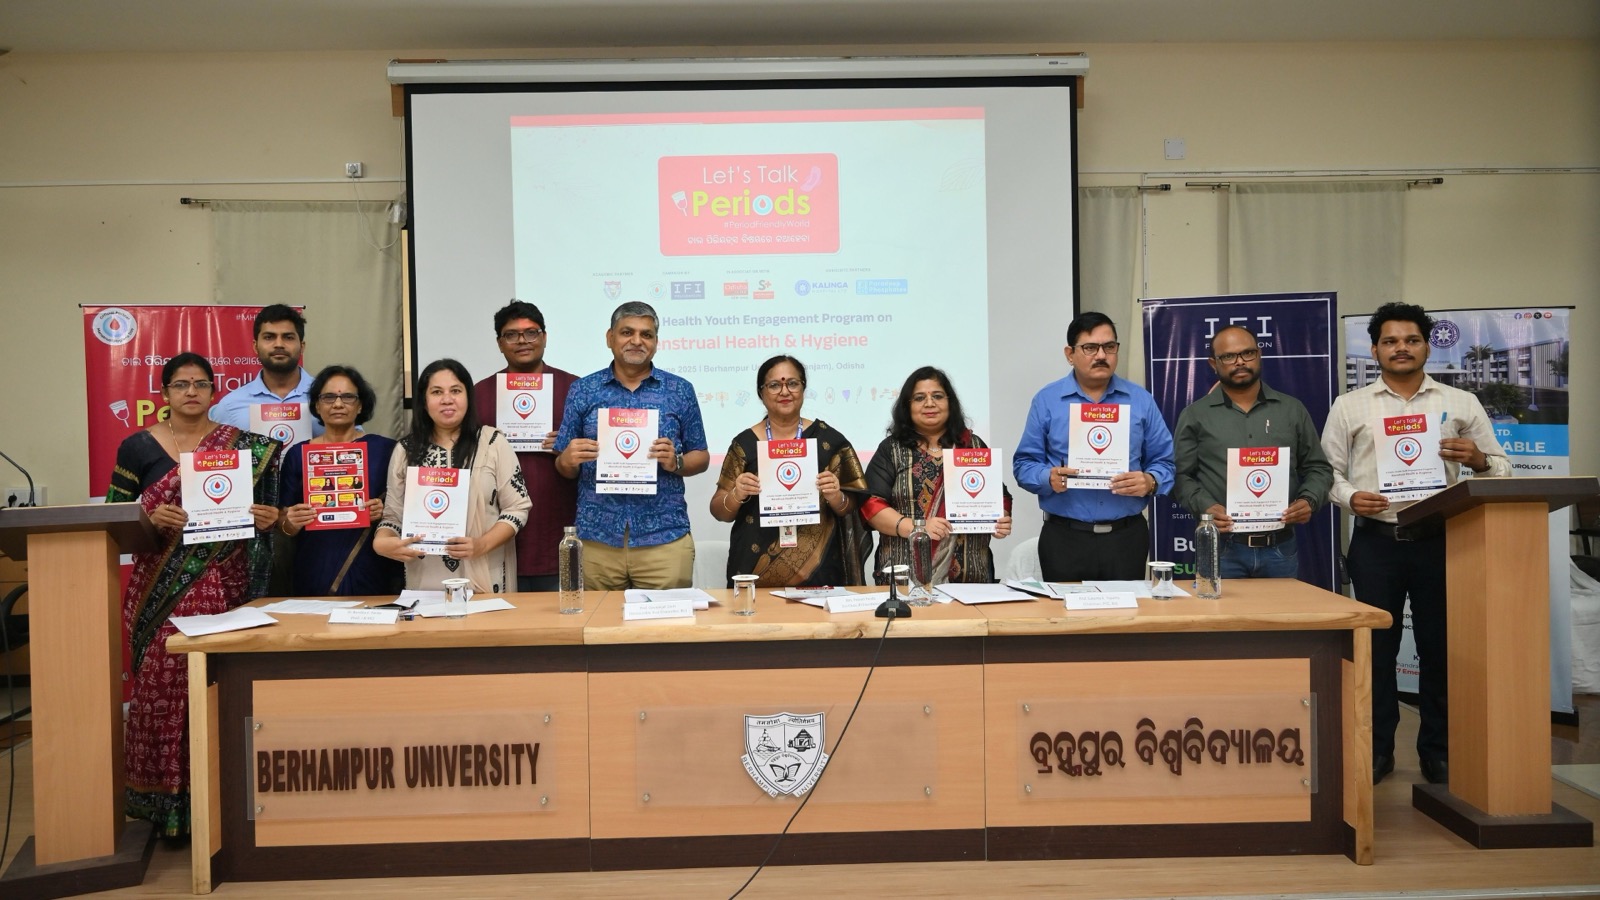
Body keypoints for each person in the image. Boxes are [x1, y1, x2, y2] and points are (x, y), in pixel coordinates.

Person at [1321, 302, 1510, 787]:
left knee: (1440, 650)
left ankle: (1438, 751)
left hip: (1440, 541)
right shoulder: (1350, 406)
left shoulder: (1461, 403)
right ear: (1375, 349)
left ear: (1427, 345)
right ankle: (1378, 750)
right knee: (1376, 651)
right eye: (1389, 341)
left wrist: (1480, 461)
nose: (1400, 348)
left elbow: (1503, 468)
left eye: (1410, 339)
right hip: (1376, 543)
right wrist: (1349, 497)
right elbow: (1325, 475)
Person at [106, 352, 281, 836]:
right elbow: (114, 519)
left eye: (200, 384)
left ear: (212, 392)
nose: (191, 392)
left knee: (216, 690)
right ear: (163, 394)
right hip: (158, 593)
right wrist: (150, 514)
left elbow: (266, 514)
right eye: (180, 384)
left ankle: (220, 809)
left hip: (224, 587)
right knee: (162, 691)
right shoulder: (137, 448)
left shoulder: (242, 447)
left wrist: (269, 517)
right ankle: (166, 813)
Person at [554, 301, 709, 590]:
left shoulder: (680, 390)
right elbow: (563, 466)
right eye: (627, 332)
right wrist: (568, 459)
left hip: (664, 539)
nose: (637, 341)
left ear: (656, 342)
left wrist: (676, 462)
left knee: (665, 632)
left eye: (646, 334)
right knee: (597, 629)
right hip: (597, 538)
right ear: (610, 338)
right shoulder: (583, 390)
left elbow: (700, 456)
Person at [1014, 312, 1175, 581]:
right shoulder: (1047, 400)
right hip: (1064, 539)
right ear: (1070, 354)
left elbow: (1165, 462)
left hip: (1126, 538)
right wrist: (1047, 477)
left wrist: (1151, 481)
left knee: (1125, 620)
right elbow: (1024, 465)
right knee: (1065, 621)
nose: (1101, 355)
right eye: (1090, 348)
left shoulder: (1140, 400)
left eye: (1109, 347)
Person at [1173, 326, 1333, 578]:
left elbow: (1318, 468)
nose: (1239, 362)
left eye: (1247, 353)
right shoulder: (1195, 415)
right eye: (1228, 356)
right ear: (1213, 363)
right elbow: (1180, 476)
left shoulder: (1291, 410)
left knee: (1279, 617)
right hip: (1221, 547)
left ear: (1259, 354)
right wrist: (1206, 507)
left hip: (1280, 546)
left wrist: (1308, 500)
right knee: (1222, 619)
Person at [710, 355, 872, 587]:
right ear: (761, 392)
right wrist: (736, 494)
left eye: (793, 383)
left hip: (819, 567)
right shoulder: (745, 444)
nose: (784, 391)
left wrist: (836, 496)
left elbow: (850, 509)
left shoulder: (830, 440)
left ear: (803, 388)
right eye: (775, 385)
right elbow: (719, 512)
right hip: (755, 566)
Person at [374, 359, 531, 593]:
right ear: (424, 402)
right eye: (436, 392)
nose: (447, 399)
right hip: (425, 580)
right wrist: (382, 542)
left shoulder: (493, 442)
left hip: (484, 575)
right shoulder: (406, 450)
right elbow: (393, 517)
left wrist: (481, 545)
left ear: (468, 397)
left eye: (456, 391)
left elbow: (517, 509)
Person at [862, 366, 1012, 585]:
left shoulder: (972, 445)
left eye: (938, 396)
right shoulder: (892, 449)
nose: (930, 403)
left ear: (950, 403)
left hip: (970, 579)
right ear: (907, 406)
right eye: (919, 398)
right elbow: (871, 506)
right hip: (904, 577)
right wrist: (917, 528)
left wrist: (1001, 519)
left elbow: (999, 496)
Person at [472, 300, 579, 592]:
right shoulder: (478, 395)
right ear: (499, 343)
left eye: (531, 333)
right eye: (511, 334)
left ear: (544, 337)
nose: (522, 341)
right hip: (495, 534)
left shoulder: (576, 389)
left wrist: (570, 450)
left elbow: (598, 455)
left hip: (559, 526)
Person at [277, 365, 404, 595]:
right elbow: (283, 523)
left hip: (372, 567)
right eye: (328, 397)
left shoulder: (387, 450)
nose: (337, 404)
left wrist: (385, 512)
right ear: (317, 405)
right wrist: (292, 521)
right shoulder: (298, 454)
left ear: (361, 405)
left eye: (347, 397)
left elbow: (405, 508)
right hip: (315, 568)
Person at [209, 303, 322, 440]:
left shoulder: (327, 398)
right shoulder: (229, 406)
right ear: (255, 346)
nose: (279, 344)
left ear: (302, 346)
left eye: (288, 337)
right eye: (269, 337)